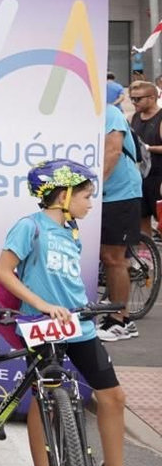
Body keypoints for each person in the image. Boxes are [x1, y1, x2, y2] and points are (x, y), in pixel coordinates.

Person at [0, 160, 142, 466]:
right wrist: (42, 305)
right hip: (42, 324)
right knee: (45, 397)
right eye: (86, 196)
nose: (91, 203)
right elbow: (3, 271)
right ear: (63, 196)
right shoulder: (29, 227)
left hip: (78, 323)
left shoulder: (73, 230)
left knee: (113, 396)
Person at [97, 82, 146, 341]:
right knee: (110, 256)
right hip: (101, 194)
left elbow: (113, 150)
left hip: (120, 193)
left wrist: (94, 187)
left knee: (113, 257)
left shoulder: (110, 112)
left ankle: (121, 321)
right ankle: (117, 310)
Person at [129, 80, 162, 239]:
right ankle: (148, 258)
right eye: (132, 98)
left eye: (138, 99)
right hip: (140, 179)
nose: (134, 102)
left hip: (159, 178)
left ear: (152, 98)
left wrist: (149, 148)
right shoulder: (133, 117)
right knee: (142, 220)